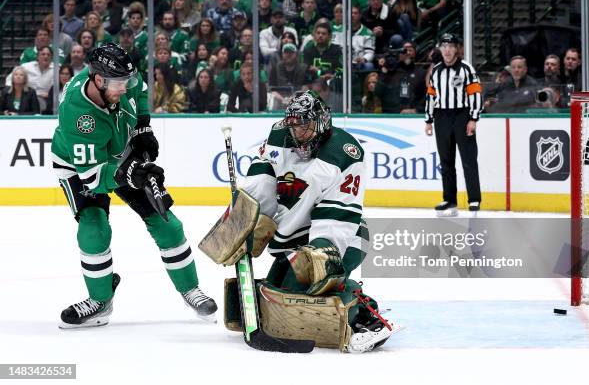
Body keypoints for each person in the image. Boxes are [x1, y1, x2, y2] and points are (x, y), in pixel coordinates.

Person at [215, 90, 400, 352]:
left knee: (310, 285)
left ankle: (367, 316)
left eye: (305, 125)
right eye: (294, 126)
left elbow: (337, 214)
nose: (298, 133)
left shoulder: (344, 152)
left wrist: (321, 254)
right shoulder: (280, 135)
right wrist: (241, 223)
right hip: (298, 237)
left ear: (321, 121)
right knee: (273, 290)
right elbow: (261, 182)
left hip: (342, 236)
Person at [50, 44, 217, 328]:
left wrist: (143, 125)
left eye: (125, 81)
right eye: (118, 84)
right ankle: (100, 301)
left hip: (121, 154)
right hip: (81, 168)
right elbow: (92, 176)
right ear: (98, 80)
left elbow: (138, 88)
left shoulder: (121, 78)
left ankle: (190, 289)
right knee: (93, 229)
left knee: (168, 224)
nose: (124, 88)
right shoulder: (78, 115)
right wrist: (132, 173)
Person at [424, 34, 483, 216]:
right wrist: (428, 120)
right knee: (446, 161)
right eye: (444, 46)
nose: (447, 50)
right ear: (440, 49)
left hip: (462, 116)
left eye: (450, 46)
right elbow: (431, 96)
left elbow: (476, 94)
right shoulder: (437, 70)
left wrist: (473, 118)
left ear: (457, 48)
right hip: (442, 117)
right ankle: (450, 199)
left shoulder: (466, 69)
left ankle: (474, 198)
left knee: (468, 159)